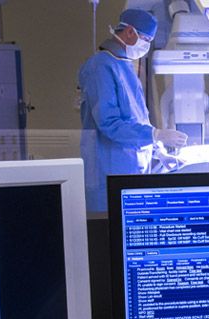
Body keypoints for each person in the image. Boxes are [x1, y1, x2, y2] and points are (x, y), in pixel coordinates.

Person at [78, 9, 188, 212]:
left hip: (129, 172)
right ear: (129, 32)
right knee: (107, 236)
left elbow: (138, 119)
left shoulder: (125, 66)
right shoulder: (101, 66)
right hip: (109, 174)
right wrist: (156, 135)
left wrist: (158, 151)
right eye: (146, 39)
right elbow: (110, 124)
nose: (145, 45)